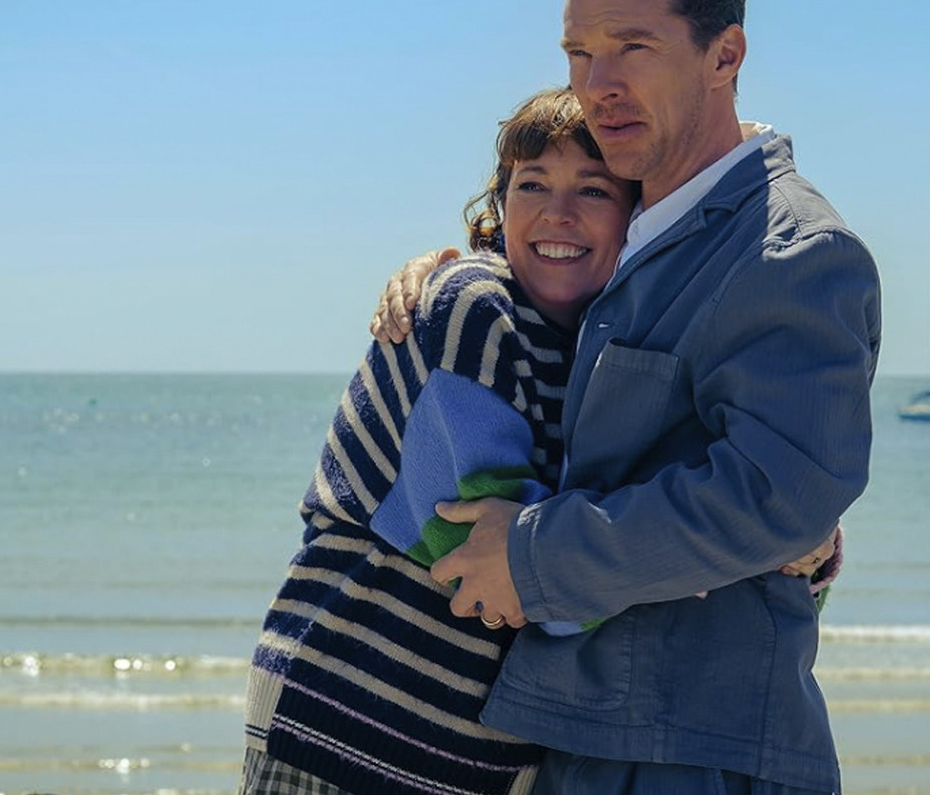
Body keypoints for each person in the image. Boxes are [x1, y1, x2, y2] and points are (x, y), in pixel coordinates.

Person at [374, 0, 881, 795]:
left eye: (632, 47)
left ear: (725, 55)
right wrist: (457, 269)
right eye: (579, 53)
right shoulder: (639, 226)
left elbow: (779, 496)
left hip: (700, 753)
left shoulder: (793, 252)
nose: (597, 85)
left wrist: (532, 560)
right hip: (582, 741)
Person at [240, 88, 640, 795]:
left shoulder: (605, 349)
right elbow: (479, 561)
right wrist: (686, 556)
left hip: (474, 759)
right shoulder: (472, 305)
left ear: (637, 214)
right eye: (532, 184)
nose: (558, 212)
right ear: (500, 203)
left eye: (594, 189)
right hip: (343, 720)